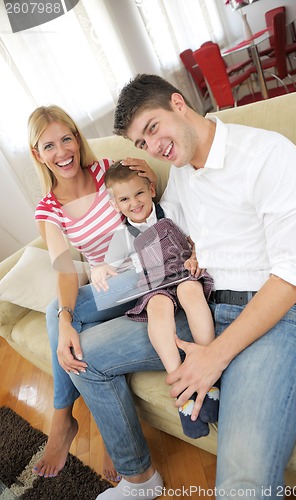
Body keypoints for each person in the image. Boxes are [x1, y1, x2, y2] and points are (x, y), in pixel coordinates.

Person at [67, 74, 296, 500]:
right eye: (141, 143)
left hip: (271, 315)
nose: (153, 146)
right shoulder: (181, 173)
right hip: (198, 303)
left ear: (178, 104)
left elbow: (292, 276)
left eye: (152, 128)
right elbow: (165, 229)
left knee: (242, 489)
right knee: (83, 356)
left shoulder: (267, 153)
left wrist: (214, 357)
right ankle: (140, 478)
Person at [28, 105, 156, 481]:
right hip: (109, 289)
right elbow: (66, 272)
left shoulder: (108, 172)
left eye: (66, 138)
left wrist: (150, 176)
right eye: (49, 145)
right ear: (38, 154)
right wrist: (67, 319)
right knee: (60, 314)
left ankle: (63, 419)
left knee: (58, 314)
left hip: (146, 274)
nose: (62, 152)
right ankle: (83, 425)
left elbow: (148, 204)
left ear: (77, 138)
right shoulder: (48, 209)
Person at [91, 162, 219, 439]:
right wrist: (98, 269)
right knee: (157, 307)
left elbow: (196, 237)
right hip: (154, 286)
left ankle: (209, 369)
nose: (134, 203)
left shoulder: (170, 212)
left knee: (190, 292)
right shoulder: (122, 235)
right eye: (124, 199)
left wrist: (196, 256)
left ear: (151, 189)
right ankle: (180, 382)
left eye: (139, 194)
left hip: (183, 274)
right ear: (115, 205)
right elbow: (108, 265)